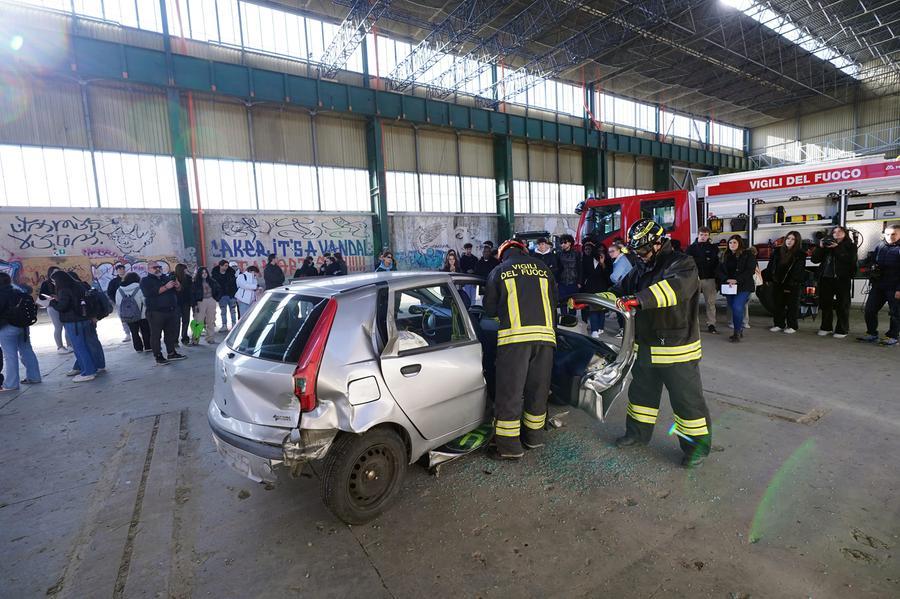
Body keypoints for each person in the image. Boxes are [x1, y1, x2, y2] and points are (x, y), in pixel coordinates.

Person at [607, 219, 710, 468]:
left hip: (676, 349)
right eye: (636, 252)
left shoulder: (682, 264)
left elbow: (674, 290)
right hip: (645, 346)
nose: (640, 256)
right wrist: (592, 300)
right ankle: (637, 435)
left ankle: (697, 448)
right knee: (641, 396)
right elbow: (619, 290)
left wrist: (638, 299)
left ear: (658, 242)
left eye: (643, 250)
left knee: (687, 402)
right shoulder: (641, 268)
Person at [483, 239, 557, 459]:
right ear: (524, 252)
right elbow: (555, 302)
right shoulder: (544, 269)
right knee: (538, 391)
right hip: (545, 340)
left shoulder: (499, 271)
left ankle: (509, 448)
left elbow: (489, 310)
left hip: (515, 341)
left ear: (502, 254)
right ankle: (534, 439)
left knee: (510, 394)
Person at [50, 270, 104, 382]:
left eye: (54, 281)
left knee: (79, 348)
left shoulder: (63, 290)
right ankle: (93, 367)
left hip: (73, 321)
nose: (54, 283)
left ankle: (88, 372)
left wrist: (52, 302)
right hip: (85, 319)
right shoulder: (79, 286)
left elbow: (63, 307)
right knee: (88, 345)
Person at [811, 225, 857, 338]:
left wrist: (837, 247)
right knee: (825, 304)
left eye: (840, 231)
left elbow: (850, 260)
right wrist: (820, 247)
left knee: (843, 305)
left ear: (845, 233)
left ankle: (842, 329)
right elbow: (814, 260)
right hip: (826, 278)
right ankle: (826, 327)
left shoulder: (850, 246)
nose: (836, 233)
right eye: (834, 232)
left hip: (842, 279)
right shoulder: (827, 245)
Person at [858, 224, 900, 346]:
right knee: (870, 310)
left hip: (894, 287)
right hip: (879, 285)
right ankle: (871, 333)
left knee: (895, 313)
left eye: (894, 234)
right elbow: (873, 260)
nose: (890, 237)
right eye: (887, 234)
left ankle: (892, 336)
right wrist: (869, 266)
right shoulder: (880, 245)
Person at [0, 272, 41, 391]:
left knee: (10, 355)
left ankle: (11, 384)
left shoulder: (1, 295)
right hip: (23, 326)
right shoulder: (17, 291)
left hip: (7, 327)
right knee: (27, 349)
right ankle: (34, 377)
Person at [140, 261, 186, 366]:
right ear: (148, 269)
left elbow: (178, 291)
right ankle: (158, 356)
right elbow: (148, 293)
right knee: (156, 335)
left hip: (171, 310)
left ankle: (171, 353)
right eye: (154, 267)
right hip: (156, 312)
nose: (157, 269)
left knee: (170, 333)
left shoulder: (166, 278)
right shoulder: (145, 281)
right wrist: (166, 287)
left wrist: (178, 285)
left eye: (159, 267)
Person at [717, 235, 757, 342]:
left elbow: (750, 270)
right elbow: (719, 270)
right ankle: (739, 329)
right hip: (729, 287)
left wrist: (737, 280)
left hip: (744, 286)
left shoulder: (748, 255)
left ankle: (737, 332)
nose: (732, 245)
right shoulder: (725, 255)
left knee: (737, 306)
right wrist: (726, 279)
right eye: (730, 243)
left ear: (739, 244)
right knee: (733, 308)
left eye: (734, 243)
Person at [764, 231, 806, 334]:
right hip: (777, 282)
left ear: (797, 241)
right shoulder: (777, 251)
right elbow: (771, 266)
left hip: (792, 284)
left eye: (792, 239)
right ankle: (779, 324)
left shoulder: (800, 254)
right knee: (777, 305)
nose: (789, 241)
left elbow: (798, 270)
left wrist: (792, 282)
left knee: (792, 306)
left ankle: (792, 326)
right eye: (788, 238)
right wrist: (768, 279)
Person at [687, 227, 721, 334]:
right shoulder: (691, 248)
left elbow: (717, 264)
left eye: (706, 235)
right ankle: (691, 325)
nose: (703, 237)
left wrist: (717, 279)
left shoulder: (713, 248)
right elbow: (686, 264)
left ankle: (711, 324)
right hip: (694, 279)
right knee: (692, 303)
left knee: (710, 303)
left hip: (709, 279)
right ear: (698, 235)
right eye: (701, 234)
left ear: (709, 236)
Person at [115, 272, 151, 353]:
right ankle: (148, 347)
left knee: (134, 332)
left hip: (128, 315)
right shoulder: (140, 288)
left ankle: (138, 348)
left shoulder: (119, 290)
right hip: (142, 315)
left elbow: (118, 303)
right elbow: (145, 301)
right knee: (145, 330)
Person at [39, 266, 71, 354]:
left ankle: (69, 345)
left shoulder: (64, 283)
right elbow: (41, 296)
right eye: (54, 272)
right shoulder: (46, 283)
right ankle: (60, 347)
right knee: (58, 327)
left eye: (58, 271)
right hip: (53, 307)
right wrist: (52, 296)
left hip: (64, 306)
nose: (57, 274)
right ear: (50, 274)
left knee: (67, 326)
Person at [581, 242, 611, 337]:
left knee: (601, 308)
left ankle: (600, 327)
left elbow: (608, 275)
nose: (600, 253)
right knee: (593, 308)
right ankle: (594, 330)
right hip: (590, 287)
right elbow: (583, 273)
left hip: (602, 287)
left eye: (602, 250)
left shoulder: (607, 260)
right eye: (598, 251)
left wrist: (602, 264)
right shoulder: (587, 260)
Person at [608, 242, 634, 339]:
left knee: (622, 310)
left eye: (612, 251)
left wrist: (611, 276)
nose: (610, 253)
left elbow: (614, 277)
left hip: (624, 289)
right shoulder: (622, 259)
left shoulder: (621, 261)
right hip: (627, 288)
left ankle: (624, 331)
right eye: (609, 252)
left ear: (619, 250)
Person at [191, 267, 221, 345]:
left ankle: (210, 338)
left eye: (205, 272)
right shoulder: (195, 283)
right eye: (202, 273)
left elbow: (219, 289)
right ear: (199, 274)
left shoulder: (212, 281)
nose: (204, 274)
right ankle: (195, 339)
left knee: (211, 321)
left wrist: (216, 298)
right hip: (200, 302)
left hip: (211, 300)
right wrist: (194, 305)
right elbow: (192, 295)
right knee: (198, 321)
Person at [105, 264, 133, 343]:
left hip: (132, 302)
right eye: (119, 269)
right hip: (120, 304)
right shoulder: (113, 282)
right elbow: (110, 292)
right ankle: (127, 334)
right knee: (123, 318)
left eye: (122, 268)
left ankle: (139, 331)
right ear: (116, 271)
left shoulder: (130, 279)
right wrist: (116, 301)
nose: (121, 270)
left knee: (136, 315)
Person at [556, 234, 582, 317]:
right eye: (561, 243)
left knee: (572, 303)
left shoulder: (577, 254)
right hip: (562, 282)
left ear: (570, 243)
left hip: (573, 282)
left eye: (565, 242)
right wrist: (556, 281)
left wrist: (579, 282)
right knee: (562, 302)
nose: (563, 244)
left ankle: (572, 319)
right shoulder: (559, 254)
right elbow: (557, 269)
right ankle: (564, 318)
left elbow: (580, 268)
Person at [211, 260, 238, 332]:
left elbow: (234, 285)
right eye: (225, 265)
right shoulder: (215, 274)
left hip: (231, 295)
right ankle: (224, 325)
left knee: (233, 311)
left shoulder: (231, 273)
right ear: (221, 265)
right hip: (222, 296)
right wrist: (216, 295)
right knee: (223, 311)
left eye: (227, 265)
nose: (227, 267)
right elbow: (214, 286)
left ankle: (234, 325)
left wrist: (234, 294)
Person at [174, 263, 193, 346]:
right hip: (176, 303)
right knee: (176, 322)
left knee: (186, 321)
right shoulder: (173, 278)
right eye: (185, 269)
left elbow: (190, 291)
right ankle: (175, 340)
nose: (186, 271)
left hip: (186, 302)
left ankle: (185, 338)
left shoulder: (188, 278)